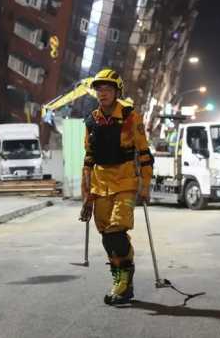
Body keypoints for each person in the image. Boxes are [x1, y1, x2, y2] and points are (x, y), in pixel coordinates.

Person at [78, 68, 153, 306]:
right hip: (100, 186)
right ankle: (120, 279)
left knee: (117, 230)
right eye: (99, 89)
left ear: (117, 91)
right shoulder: (92, 121)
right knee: (107, 237)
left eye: (108, 89)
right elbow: (88, 160)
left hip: (125, 183)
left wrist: (145, 186)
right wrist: (86, 197)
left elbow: (144, 154)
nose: (102, 93)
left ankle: (123, 281)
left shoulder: (131, 117)